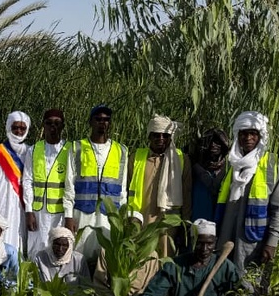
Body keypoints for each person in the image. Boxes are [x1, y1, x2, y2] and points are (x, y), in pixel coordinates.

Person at [216, 111, 279, 276]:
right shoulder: (230, 164)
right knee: (223, 276)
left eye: (253, 134)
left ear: (261, 136)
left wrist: (272, 242)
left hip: (253, 238)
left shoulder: (275, 167)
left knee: (249, 281)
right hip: (226, 233)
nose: (248, 138)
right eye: (243, 133)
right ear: (238, 135)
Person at [63, 105, 129, 262]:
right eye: (98, 119)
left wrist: (122, 218)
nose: (103, 123)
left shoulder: (121, 150)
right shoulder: (76, 148)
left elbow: (123, 189)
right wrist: (68, 216)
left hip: (108, 216)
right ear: (90, 122)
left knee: (105, 258)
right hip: (83, 213)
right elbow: (69, 186)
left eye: (106, 120)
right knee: (79, 257)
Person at [127, 115, 192, 257]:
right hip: (141, 219)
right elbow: (126, 189)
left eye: (165, 135)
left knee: (165, 258)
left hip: (168, 221)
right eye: (156, 135)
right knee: (140, 258)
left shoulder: (181, 159)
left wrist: (185, 224)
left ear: (171, 138)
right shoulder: (136, 157)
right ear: (149, 137)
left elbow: (187, 193)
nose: (161, 138)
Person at [23, 108, 68, 260]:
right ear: (44, 125)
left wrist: (69, 215)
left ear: (63, 126)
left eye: (57, 123)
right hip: (37, 211)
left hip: (59, 211)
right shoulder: (33, 150)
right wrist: (29, 211)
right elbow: (27, 180)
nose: (52, 126)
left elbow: (71, 185)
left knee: (57, 247)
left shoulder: (69, 150)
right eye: (49, 123)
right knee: (36, 248)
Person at [0, 112, 31, 253]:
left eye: (23, 128)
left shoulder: (31, 151)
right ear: (8, 127)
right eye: (15, 127)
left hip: (22, 204)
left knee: (20, 236)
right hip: (1, 202)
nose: (18, 131)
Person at [190, 128, 230, 222]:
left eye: (217, 142)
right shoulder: (194, 166)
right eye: (210, 142)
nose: (213, 145)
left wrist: (197, 167)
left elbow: (214, 187)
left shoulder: (228, 167)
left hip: (216, 219)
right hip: (197, 219)